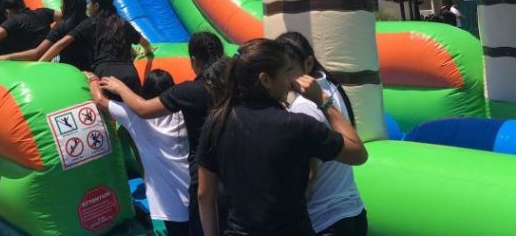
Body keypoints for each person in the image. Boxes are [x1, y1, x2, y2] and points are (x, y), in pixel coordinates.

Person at [197, 39, 368, 236]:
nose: (290, 80)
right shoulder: (296, 125)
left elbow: (204, 195)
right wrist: (323, 101)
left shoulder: (217, 121)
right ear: (265, 80)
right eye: (286, 72)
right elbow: (358, 153)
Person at [99, 31, 225, 235]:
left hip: (174, 205)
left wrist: (108, 84)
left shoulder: (140, 116)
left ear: (194, 60)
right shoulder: (191, 109)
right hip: (212, 187)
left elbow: (119, 104)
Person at [279, 32, 367, 236]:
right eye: (281, 70)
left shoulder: (304, 107)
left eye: (289, 69)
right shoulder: (331, 88)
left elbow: (309, 174)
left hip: (324, 219)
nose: (284, 77)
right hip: (352, 210)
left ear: (308, 63)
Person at [90, 69, 190, 235]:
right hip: (195, 192)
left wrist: (92, 78)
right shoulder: (183, 112)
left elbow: (100, 101)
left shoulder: (135, 116)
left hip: (170, 207)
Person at [40, 0, 152, 94]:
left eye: (90, 3)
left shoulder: (90, 23)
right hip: (130, 72)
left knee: (108, 108)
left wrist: (40, 63)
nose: (87, 6)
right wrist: (148, 52)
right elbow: (144, 43)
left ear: (96, 6)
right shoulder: (123, 23)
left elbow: (63, 42)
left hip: (106, 72)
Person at [0, 0, 91, 70]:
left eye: (62, 3)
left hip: (70, 69)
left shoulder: (61, 26)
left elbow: (37, 52)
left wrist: (8, 57)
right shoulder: (91, 22)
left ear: (67, 5)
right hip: (91, 67)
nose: (60, 6)